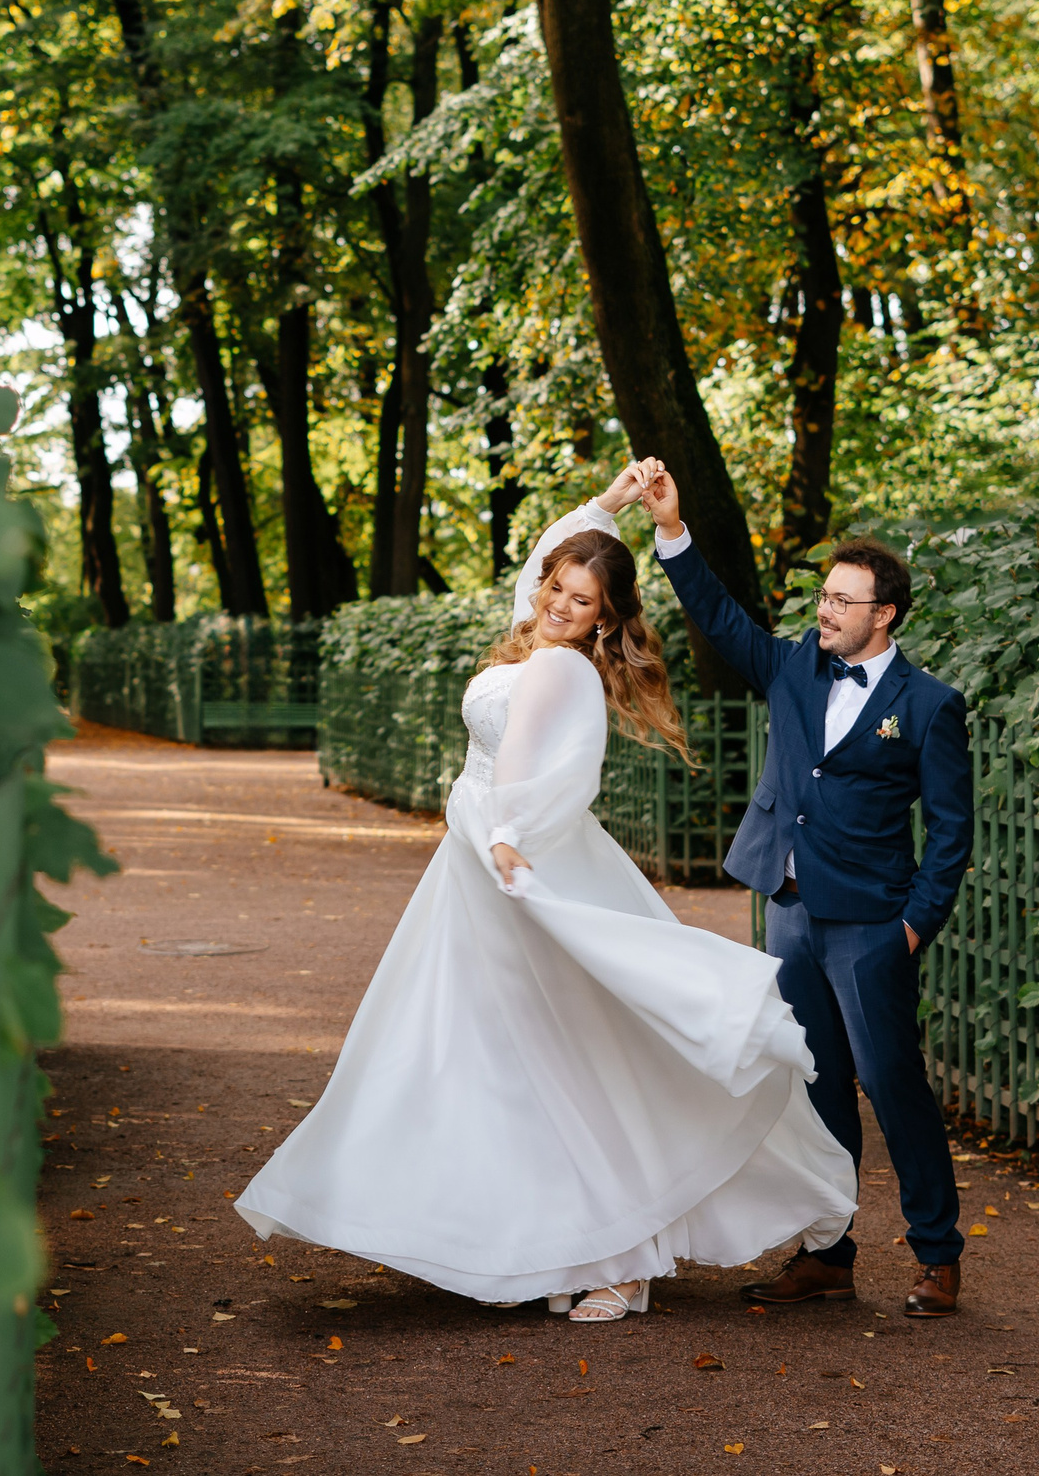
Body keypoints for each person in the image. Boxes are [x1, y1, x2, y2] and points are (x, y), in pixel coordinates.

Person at [234, 463, 857, 1323]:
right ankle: (562, 1240)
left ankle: (628, 1260)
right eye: (559, 589)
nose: (561, 604)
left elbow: (550, 771)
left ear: (606, 618)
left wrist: (504, 832)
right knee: (504, 1058)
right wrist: (610, 499)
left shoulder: (563, 669)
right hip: (478, 874)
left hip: (518, 867)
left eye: (582, 599)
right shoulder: (533, 634)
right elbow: (537, 563)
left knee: (571, 1056)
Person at [638, 460, 974, 1317]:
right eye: (823, 596)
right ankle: (827, 1254)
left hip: (872, 927)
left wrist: (915, 926)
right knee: (812, 1088)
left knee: (893, 1087)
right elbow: (715, 615)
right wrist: (672, 530)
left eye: (842, 601)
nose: (825, 610)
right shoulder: (791, 669)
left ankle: (939, 1255)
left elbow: (951, 831)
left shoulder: (929, 705)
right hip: (789, 914)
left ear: (885, 614)